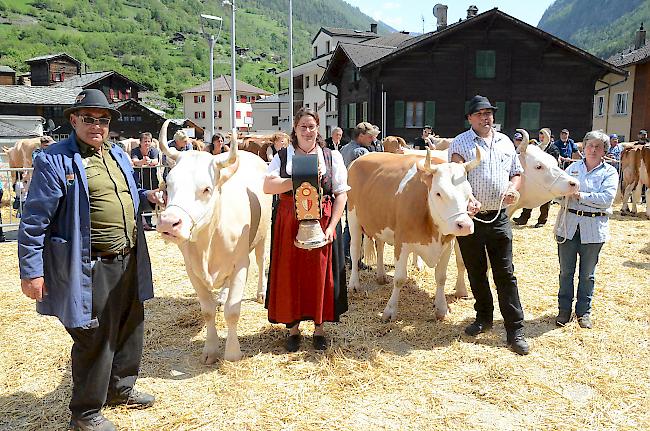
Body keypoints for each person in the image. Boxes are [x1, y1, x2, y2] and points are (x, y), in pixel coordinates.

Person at [18, 89, 160, 431]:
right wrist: (31, 272)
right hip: (90, 263)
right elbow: (34, 220)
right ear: (74, 120)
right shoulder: (55, 160)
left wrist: (147, 195)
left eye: (104, 119)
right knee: (93, 334)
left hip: (129, 255)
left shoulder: (118, 156)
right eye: (89, 118)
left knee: (129, 324)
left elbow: (121, 194)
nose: (97, 125)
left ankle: (120, 389)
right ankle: (84, 414)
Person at [263, 107, 349, 352]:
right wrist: (300, 178)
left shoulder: (332, 156)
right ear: (295, 128)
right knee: (291, 272)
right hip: (290, 219)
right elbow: (268, 186)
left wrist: (332, 227)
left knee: (319, 273)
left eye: (312, 126)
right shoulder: (282, 156)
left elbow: (341, 194)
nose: (308, 131)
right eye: (303, 127)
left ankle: (319, 328)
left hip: (321, 220)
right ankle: (293, 328)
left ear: (318, 128)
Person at [449, 95, 529, 355]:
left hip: (499, 217)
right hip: (472, 218)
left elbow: (517, 173)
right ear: (469, 118)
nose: (486, 118)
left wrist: (512, 189)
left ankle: (515, 330)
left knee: (505, 274)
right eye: (480, 114)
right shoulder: (459, 143)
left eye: (489, 113)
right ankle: (483, 318)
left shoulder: (506, 142)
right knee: (476, 271)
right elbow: (457, 175)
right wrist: (469, 197)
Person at [554, 130, 618, 329]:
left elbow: (606, 199)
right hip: (568, 225)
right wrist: (562, 193)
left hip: (593, 228)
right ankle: (564, 310)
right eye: (590, 145)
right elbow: (557, 194)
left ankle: (583, 312)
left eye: (598, 146)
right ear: (584, 148)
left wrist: (580, 195)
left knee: (587, 274)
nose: (593, 149)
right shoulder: (572, 168)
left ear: (604, 151)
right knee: (566, 272)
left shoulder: (610, 172)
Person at [339, 122, 381, 266]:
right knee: (357, 226)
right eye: (370, 137)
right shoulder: (361, 152)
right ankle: (353, 257)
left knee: (349, 225)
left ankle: (345, 255)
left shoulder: (344, 148)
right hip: (359, 194)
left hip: (345, 191)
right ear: (361, 136)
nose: (372, 140)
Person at [513, 128, 561, 228]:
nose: (541, 136)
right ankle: (523, 218)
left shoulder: (554, 149)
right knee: (528, 198)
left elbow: (552, 164)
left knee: (546, 200)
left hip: (547, 179)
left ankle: (542, 220)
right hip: (534, 178)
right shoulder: (535, 147)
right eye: (540, 134)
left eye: (544, 135)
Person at [131, 132, 160, 231]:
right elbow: (134, 161)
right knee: (140, 198)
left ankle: (149, 221)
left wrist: (149, 162)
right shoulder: (135, 150)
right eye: (145, 141)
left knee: (152, 199)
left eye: (149, 141)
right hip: (138, 177)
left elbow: (156, 161)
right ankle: (142, 222)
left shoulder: (154, 150)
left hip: (151, 177)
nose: (147, 143)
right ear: (140, 142)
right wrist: (142, 162)